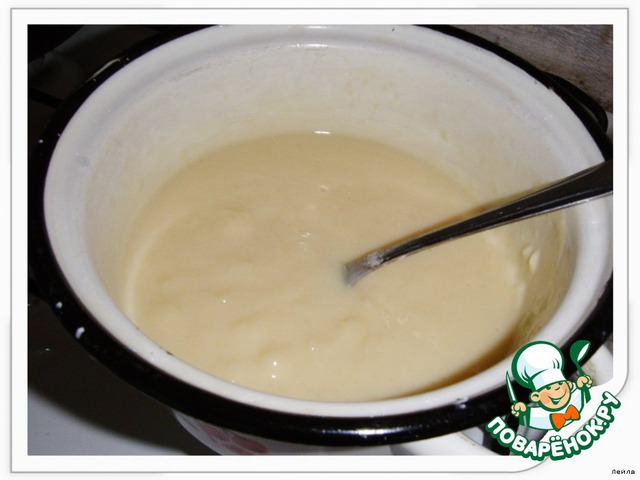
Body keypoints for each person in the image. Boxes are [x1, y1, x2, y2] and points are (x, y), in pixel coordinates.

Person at [510, 341, 593, 431]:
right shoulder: (541, 416)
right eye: (548, 388)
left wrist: (582, 386)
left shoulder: (575, 398)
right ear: (536, 396)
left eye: (560, 384)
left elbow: (586, 395)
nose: (556, 391)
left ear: (569, 385)